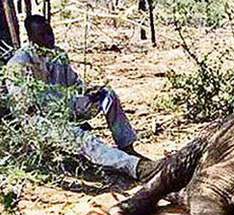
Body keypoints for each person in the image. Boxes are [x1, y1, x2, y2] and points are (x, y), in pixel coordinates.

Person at [3, 15, 157, 180]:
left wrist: (89, 94)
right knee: (84, 139)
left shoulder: (59, 55)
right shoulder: (19, 63)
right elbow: (24, 107)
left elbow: (74, 83)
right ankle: (134, 166)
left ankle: (127, 145)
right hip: (41, 120)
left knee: (107, 96)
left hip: (67, 107)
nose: (49, 38)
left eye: (50, 32)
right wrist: (56, 120)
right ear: (31, 38)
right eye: (42, 35)